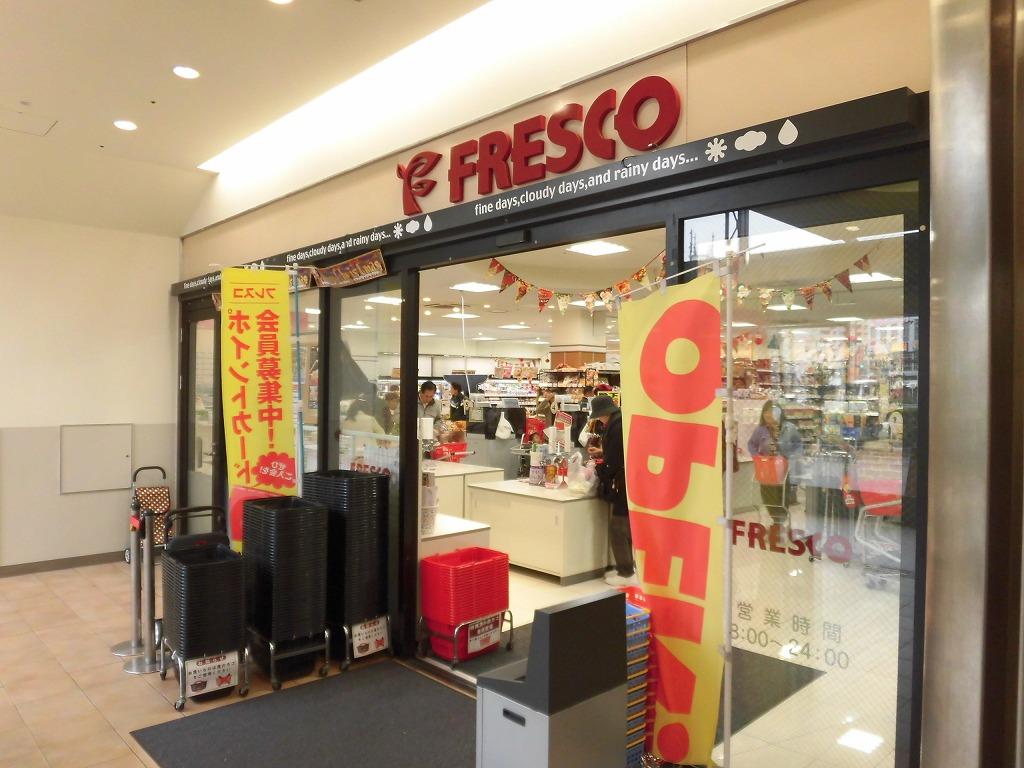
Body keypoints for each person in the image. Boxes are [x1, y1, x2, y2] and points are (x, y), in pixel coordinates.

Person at [587, 395, 636, 586]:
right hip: (630, 481)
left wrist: (600, 469)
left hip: (622, 483)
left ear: (603, 413)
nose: (599, 420)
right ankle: (629, 568)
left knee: (618, 528)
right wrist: (601, 453)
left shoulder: (616, 426)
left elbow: (615, 459)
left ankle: (626, 573)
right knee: (626, 527)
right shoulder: (619, 421)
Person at [747, 401, 802, 523]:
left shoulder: (789, 428)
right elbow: (751, 444)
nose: (768, 415)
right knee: (768, 497)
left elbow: (798, 444)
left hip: (784, 469)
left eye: (771, 412)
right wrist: (756, 457)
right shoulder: (760, 430)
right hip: (767, 469)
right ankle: (777, 521)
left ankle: (780, 522)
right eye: (766, 412)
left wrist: (795, 457)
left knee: (783, 497)